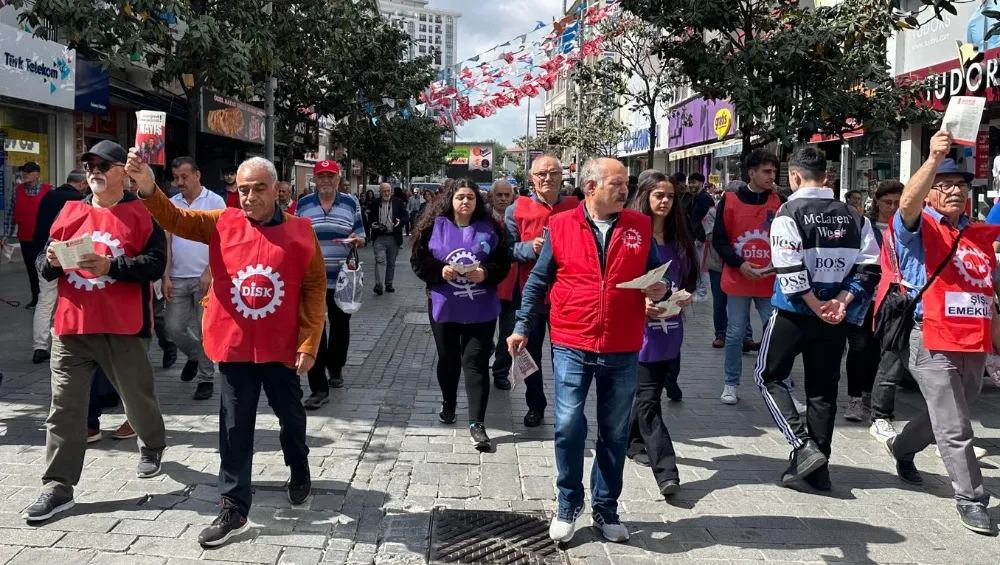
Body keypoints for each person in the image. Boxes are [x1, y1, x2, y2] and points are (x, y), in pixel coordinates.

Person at [130, 154, 327, 547]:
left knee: (290, 417)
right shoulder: (223, 222)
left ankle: (299, 467)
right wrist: (149, 187)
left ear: (276, 189)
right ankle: (233, 504)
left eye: (258, 188)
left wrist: (309, 342)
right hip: (236, 347)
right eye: (242, 189)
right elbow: (174, 219)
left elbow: (314, 288)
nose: (249, 197)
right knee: (235, 426)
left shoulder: (302, 231)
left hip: (281, 346)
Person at [508, 158, 668, 543]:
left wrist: (658, 292)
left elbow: (656, 275)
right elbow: (537, 283)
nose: (625, 189)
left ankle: (605, 507)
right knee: (567, 425)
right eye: (616, 183)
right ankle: (568, 501)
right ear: (591, 187)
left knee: (613, 432)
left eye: (626, 183)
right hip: (571, 341)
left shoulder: (640, 226)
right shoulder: (560, 225)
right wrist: (521, 327)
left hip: (623, 343)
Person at [23, 141, 168, 523]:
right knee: (64, 409)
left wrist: (113, 267)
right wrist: (50, 261)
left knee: (137, 399)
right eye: (89, 164)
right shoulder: (70, 210)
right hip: (72, 327)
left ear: (124, 171)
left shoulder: (143, 212)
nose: (94, 170)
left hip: (124, 327)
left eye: (104, 164)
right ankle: (58, 487)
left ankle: (151, 443)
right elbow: (43, 261)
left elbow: (155, 263)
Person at [879, 132, 1000, 534]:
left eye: (961, 185)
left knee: (952, 412)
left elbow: (987, 292)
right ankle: (971, 498)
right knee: (955, 423)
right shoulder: (917, 225)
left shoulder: (977, 233)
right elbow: (908, 203)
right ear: (930, 192)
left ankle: (902, 446)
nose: (954, 192)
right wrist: (932, 158)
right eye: (944, 185)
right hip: (929, 335)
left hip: (972, 338)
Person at [755, 147, 880, 491]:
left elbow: (789, 271)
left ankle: (803, 444)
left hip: (794, 314)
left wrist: (815, 303)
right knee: (823, 390)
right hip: (834, 318)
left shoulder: (788, 212)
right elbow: (871, 268)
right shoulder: (856, 216)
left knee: (767, 375)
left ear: (794, 176)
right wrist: (840, 301)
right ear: (827, 176)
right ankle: (818, 470)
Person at [411, 179, 511, 450]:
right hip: (445, 305)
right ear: (450, 201)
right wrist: (439, 271)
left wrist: (486, 273)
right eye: (460, 197)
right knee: (449, 358)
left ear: (477, 201)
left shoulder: (491, 229)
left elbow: (504, 262)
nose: (465, 202)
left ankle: (477, 424)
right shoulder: (434, 227)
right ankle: (449, 402)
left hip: (481, 307)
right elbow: (418, 261)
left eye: (470, 197)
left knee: (475, 362)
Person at [625, 171, 697, 498]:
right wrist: (639, 303)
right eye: (659, 195)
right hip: (637, 330)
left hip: (670, 327)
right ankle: (667, 471)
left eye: (669, 195)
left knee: (644, 395)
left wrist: (684, 297)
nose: (665, 201)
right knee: (649, 399)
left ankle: (630, 440)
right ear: (646, 197)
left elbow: (689, 277)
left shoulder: (679, 238)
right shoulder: (631, 237)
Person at [505, 155, 579, 427]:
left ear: (562, 176)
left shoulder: (576, 207)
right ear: (531, 179)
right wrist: (529, 248)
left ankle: (567, 409)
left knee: (566, 356)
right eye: (542, 174)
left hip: (568, 295)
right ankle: (535, 404)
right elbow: (508, 249)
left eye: (553, 173)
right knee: (529, 353)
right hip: (530, 296)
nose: (548, 178)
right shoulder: (516, 209)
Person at [713, 150, 790, 406]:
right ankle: (730, 383)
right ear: (752, 173)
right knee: (735, 333)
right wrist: (739, 263)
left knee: (776, 332)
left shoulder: (780, 201)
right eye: (766, 171)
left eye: (774, 171)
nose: (772, 176)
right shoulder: (730, 199)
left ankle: (782, 383)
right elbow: (719, 240)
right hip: (738, 278)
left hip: (771, 281)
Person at [296, 160, 366, 406]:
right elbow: (294, 236)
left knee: (340, 327)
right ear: (314, 180)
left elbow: (361, 233)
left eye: (330, 176)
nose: (326, 180)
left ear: (338, 179)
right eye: (321, 176)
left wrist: (357, 239)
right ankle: (318, 388)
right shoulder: (304, 204)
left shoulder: (350, 202)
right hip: (312, 279)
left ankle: (335, 367)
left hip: (342, 278)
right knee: (314, 330)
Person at [164, 157, 226, 400]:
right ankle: (192, 355)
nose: (180, 182)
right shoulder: (171, 203)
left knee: (205, 331)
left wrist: (209, 271)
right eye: (176, 177)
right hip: (177, 276)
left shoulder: (215, 201)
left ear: (197, 175)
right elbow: (167, 241)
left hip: (206, 278)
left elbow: (221, 241)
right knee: (174, 328)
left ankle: (206, 378)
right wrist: (165, 274)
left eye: (184, 176)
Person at [844, 180, 901, 424]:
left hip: (893, 298)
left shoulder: (905, 227)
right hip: (865, 297)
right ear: (877, 201)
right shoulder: (864, 225)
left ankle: (871, 395)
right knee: (859, 347)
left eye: (898, 203)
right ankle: (855, 398)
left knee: (884, 350)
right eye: (888, 202)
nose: (892, 207)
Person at [30, 170, 88, 363]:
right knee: (69, 299)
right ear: (81, 184)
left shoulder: (48, 196)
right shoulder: (82, 201)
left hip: (44, 254)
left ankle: (40, 346)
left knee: (45, 301)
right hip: (69, 256)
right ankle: (65, 342)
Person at [706, 181, 753, 349]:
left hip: (739, 265)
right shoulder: (713, 212)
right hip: (718, 265)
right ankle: (721, 334)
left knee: (742, 303)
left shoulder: (747, 213)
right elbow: (711, 236)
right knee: (719, 302)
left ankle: (746, 336)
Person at [2, 161, 53, 309]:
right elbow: (10, 213)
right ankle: (35, 298)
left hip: (44, 239)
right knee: (31, 269)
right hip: (25, 238)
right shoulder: (17, 191)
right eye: (24, 171)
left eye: (29, 172)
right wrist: (6, 234)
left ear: (37, 174)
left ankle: (47, 300)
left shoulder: (48, 191)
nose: (25, 174)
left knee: (44, 269)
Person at [487, 179, 518, 390]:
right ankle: (480, 364)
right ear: (492, 196)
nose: (504, 199)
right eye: (500, 195)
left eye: (507, 195)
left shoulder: (517, 218)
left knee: (508, 333)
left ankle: (501, 372)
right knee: (484, 333)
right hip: (486, 285)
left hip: (512, 285)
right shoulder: (482, 218)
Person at [368, 183, 407, 295]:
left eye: (388, 190)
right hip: (379, 237)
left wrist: (400, 222)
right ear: (380, 192)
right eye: (384, 191)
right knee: (379, 259)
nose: (387, 193)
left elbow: (406, 216)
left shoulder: (398, 202)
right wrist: (372, 225)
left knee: (391, 262)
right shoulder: (375, 203)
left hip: (393, 237)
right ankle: (378, 285)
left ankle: (388, 283)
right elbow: (370, 219)